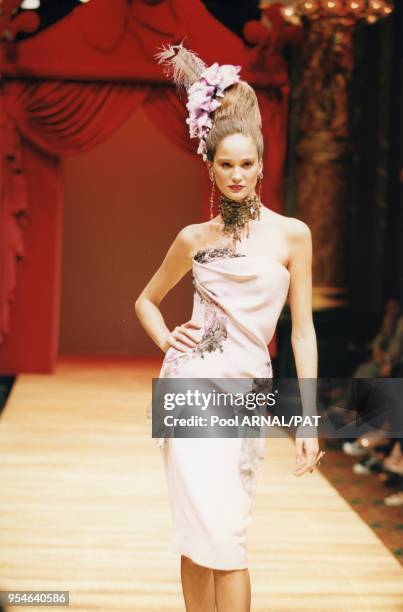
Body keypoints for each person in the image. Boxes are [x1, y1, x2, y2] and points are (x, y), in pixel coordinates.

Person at [135, 44, 324, 612]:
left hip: (245, 391)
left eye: (247, 163)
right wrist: (167, 337)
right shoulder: (195, 238)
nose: (237, 174)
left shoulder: (294, 236)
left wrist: (309, 420)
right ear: (210, 166)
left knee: (227, 533)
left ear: (262, 164)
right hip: (189, 387)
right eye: (226, 164)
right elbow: (145, 301)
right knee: (203, 534)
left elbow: (303, 332)